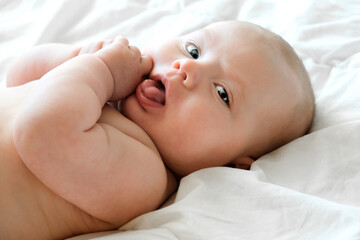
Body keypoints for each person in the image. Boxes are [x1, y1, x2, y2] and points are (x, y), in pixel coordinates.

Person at [0, 20, 314, 239]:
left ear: (232, 164)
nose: (187, 68)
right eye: (193, 50)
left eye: (222, 94)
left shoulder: (145, 176)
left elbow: (41, 132)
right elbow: (17, 77)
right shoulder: (99, 92)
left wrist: (101, 70)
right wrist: (78, 57)